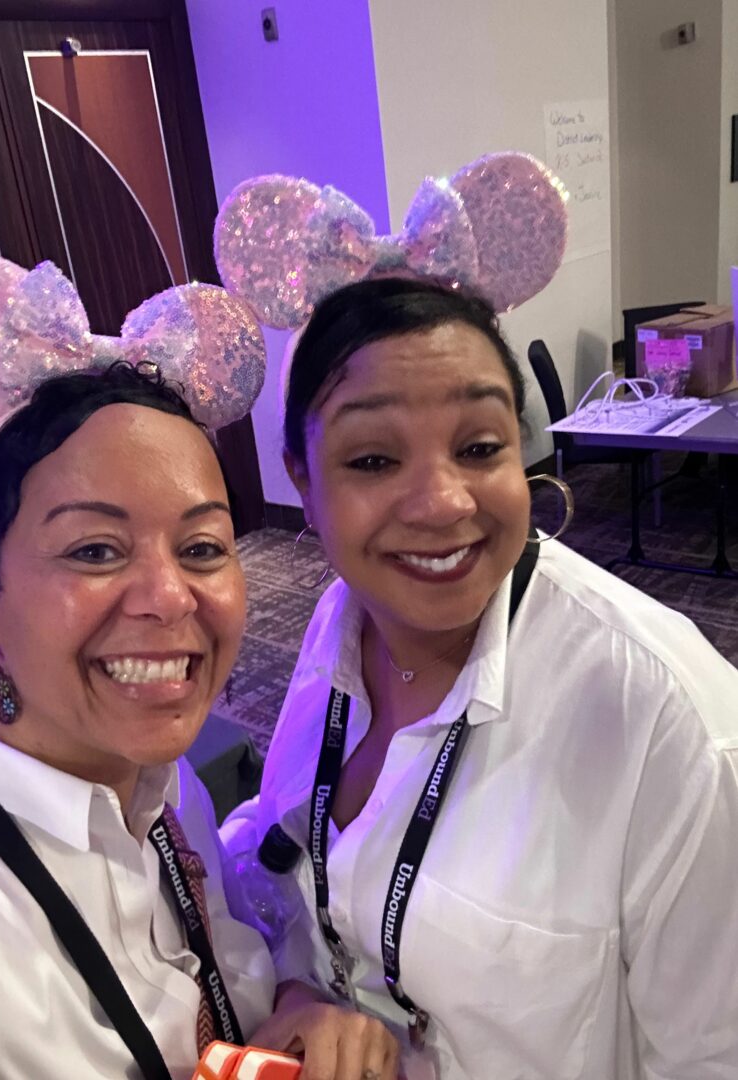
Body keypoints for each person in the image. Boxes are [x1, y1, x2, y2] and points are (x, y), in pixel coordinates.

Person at [217, 170, 738, 1077]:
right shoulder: (340, 618)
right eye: (373, 459)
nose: (443, 502)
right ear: (301, 476)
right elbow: (294, 855)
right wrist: (298, 992)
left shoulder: (668, 726)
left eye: (479, 447)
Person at [0, 253, 398, 1080]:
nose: (169, 597)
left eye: (202, 547)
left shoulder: (159, 785)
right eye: (95, 550)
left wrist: (291, 1000)